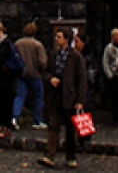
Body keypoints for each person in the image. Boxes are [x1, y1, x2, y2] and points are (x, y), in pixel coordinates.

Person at [38, 28, 87, 170]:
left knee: (70, 129)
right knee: (53, 125)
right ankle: (50, 155)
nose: (56, 39)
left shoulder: (76, 57)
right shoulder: (53, 55)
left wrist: (80, 100)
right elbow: (45, 71)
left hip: (70, 96)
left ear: (66, 39)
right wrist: (50, 79)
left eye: (59, 37)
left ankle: (71, 156)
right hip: (56, 94)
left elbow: (82, 79)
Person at [13, 22, 49, 129]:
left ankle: (14, 117)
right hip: (35, 73)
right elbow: (43, 61)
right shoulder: (38, 45)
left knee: (20, 96)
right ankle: (37, 121)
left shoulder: (18, 43)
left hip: (21, 73)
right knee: (38, 97)